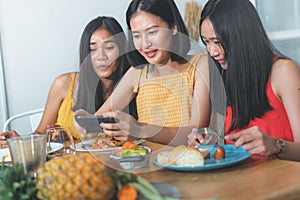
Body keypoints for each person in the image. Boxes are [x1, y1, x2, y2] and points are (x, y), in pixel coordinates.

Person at [75, 0, 212, 145]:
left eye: (152, 32)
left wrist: (139, 130)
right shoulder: (137, 73)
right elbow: (99, 119)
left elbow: (196, 133)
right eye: (137, 35)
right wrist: (86, 121)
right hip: (146, 163)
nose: (145, 44)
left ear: (173, 28)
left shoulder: (201, 64)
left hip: (189, 162)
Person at [188, 0, 300, 161]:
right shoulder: (225, 73)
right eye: (207, 42)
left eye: (218, 42)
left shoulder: (283, 71)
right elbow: (235, 148)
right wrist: (208, 143)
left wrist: (274, 145)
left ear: (243, 37)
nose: (212, 51)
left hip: (284, 182)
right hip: (242, 180)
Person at [0, 16, 136, 148]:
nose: (101, 57)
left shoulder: (133, 84)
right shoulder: (64, 84)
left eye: (109, 47)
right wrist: (19, 141)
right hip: (71, 165)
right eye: (92, 49)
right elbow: (40, 133)